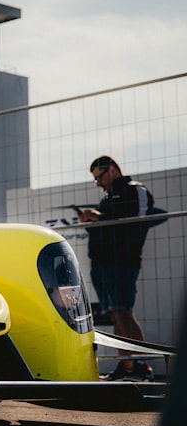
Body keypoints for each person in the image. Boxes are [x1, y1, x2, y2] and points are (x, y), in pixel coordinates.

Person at [78, 155, 155, 381]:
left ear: (112, 170)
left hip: (123, 262)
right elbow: (105, 227)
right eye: (95, 180)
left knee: (124, 313)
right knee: (116, 315)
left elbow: (135, 221)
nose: (98, 183)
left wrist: (100, 216)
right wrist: (90, 221)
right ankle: (126, 367)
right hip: (102, 264)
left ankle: (139, 367)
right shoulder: (107, 198)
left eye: (99, 177)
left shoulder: (135, 190)